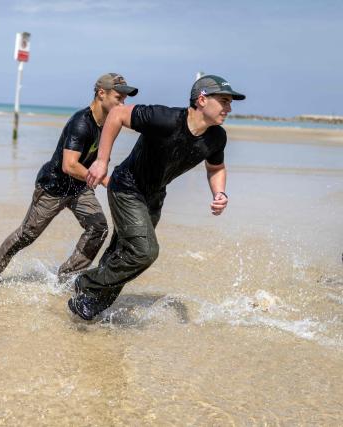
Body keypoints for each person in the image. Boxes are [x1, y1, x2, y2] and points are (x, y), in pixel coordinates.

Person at [68, 74, 245, 320]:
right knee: (144, 252)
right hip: (126, 188)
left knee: (123, 252)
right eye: (224, 100)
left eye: (230, 102)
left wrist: (220, 192)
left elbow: (215, 168)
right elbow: (117, 115)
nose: (229, 107)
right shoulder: (164, 119)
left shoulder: (216, 137)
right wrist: (101, 161)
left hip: (154, 196)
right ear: (202, 100)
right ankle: (86, 283)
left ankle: (90, 306)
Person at [0, 73, 138, 283]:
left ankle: (66, 276)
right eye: (118, 98)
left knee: (98, 229)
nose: (123, 103)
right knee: (28, 234)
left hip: (80, 188)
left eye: (124, 100)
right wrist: (104, 181)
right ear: (101, 94)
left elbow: (100, 159)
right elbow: (69, 165)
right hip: (53, 186)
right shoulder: (81, 123)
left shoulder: (111, 123)